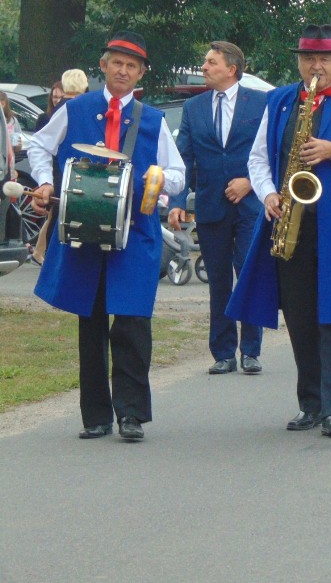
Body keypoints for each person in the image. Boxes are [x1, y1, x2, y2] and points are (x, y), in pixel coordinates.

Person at [226, 24, 331, 437]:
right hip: (290, 220)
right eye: (309, 59)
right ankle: (310, 404)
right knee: (299, 316)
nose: (317, 66)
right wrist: (266, 195)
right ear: (299, 61)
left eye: (326, 59)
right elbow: (258, 159)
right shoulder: (280, 99)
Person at [27, 30, 186, 441]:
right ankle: (95, 415)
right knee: (91, 319)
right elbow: (39, 147)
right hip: (84, 229)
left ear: (140, 74)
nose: (123, 70)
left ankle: (131, 414)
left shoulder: (152, 120)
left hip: (136, 232)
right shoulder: (75, 108)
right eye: (117, 62)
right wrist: (45, 182)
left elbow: (178, 173)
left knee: (133, 321)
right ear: (103, 65)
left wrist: (159, 179)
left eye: (131, 66)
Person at [167, 41, 266, 375]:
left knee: (249, 274)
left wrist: (250, 181)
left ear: (232, 69)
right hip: (210, 206)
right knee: (219, 280)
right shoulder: (194, 108)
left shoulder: (260, 103)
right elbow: (183, 158)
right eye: (205, 62)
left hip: (251, 204)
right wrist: (178, 203)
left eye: (211, 62)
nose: (205, 68)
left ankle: (251, 350)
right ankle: (223, 352)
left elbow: (271, 152)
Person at [31, 69, 89, 265]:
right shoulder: (71, 109)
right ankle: (47, 256)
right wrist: (45, 180)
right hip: (64, 173)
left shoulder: (61, 109)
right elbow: (40, 144)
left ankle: (45, 255)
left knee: (56, 218)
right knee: (57, 219)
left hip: (59, 173)